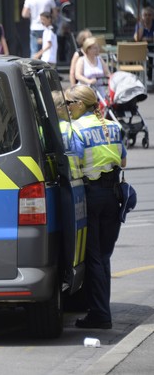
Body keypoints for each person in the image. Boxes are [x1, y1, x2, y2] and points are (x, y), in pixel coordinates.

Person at [65, 84, 126, 330]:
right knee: (104, 256)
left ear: (80, 104)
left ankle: (100, 314)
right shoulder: (114, 126)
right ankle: (102, 309)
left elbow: (74, 164)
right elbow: (122, 160)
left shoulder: (76, 129)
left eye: (69, 103)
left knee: (93, 257)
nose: (67, 109)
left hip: (91, 195)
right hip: (113, 195)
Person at [134, 6, 154, 82]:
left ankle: (150, 77)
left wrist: (146, 39)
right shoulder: (139, 25)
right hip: (142, 49)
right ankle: (139, 77)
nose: (147, 17)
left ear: (152, 16)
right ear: (142, 17)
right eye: (145, 15)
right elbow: (137, 38)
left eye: (149, 15)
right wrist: (142, 26)